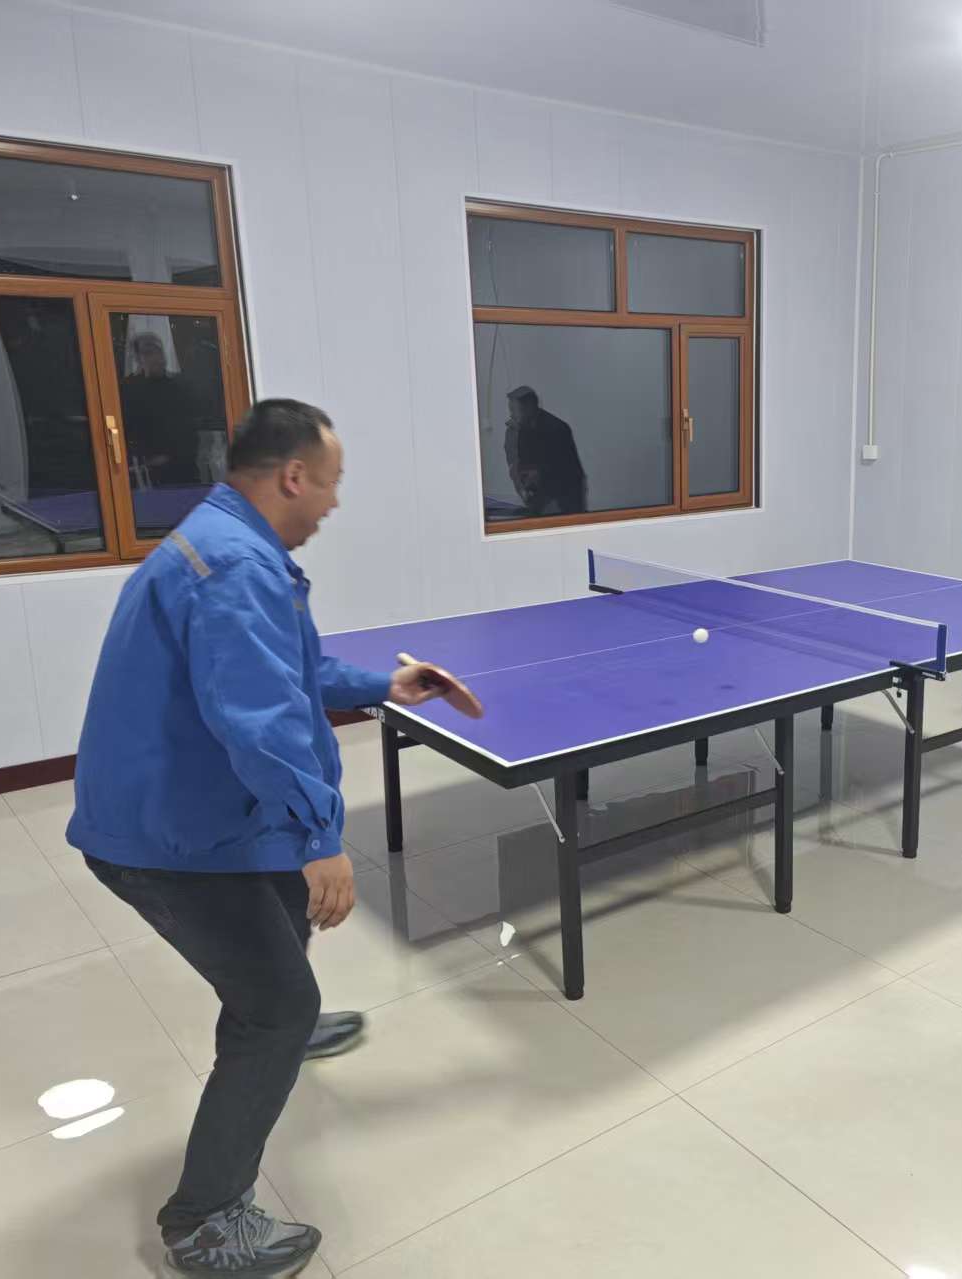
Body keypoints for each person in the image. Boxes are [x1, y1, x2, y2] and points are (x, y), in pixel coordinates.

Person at [66, 399, 483, 1275]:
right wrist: (319, 834)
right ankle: (206, 1222)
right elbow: (261, 722)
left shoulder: (229, 543)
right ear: (293, 476)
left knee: (284, 914)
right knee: (276, 1005)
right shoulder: (235, 567)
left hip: (188, 807)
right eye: (330, 483)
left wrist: (385, 683)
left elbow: (292, 672)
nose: (333, 502)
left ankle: (285, 1016)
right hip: (166, 837)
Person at [120, 332, 203, 486]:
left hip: (182, 470)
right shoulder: (128, 390)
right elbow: (126, 430)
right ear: (138, 358)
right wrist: (145, 461)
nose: (156, 357)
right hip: (144, 474)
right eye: (148, 352)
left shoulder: (178, 388)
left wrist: (172, 455)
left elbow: (189, 430)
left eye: (158, 351)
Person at [503, 385, 587, 515]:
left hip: (563, 497)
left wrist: (536, 474)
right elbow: (522, 464)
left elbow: (564, 470)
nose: (511, 415)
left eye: (514, 410)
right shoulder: (522, 429)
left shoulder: (556, 429)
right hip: (541, 496)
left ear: (528, 408)